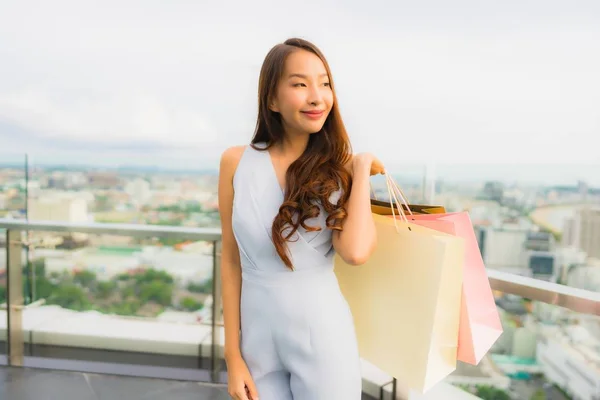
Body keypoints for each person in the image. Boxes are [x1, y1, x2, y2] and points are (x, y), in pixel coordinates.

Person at [218, 37, 384, 400]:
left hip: (323, 337)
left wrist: (359, 166)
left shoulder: (338, 172)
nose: (316, 96)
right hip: (256, 344)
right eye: (300, 83)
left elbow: (355, 253)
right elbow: (230, 261)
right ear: (272, 99)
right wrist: (232, 355)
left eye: (324, 83)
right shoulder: (235, 162)